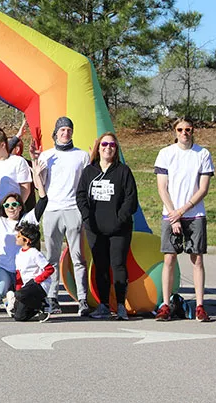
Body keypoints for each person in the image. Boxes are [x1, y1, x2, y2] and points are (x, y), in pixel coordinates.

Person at [155, 118, 215, 322]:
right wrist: (174, 215)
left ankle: (200, 306)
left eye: (188, 129)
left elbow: (203, 188)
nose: (184, 133)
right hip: (171, 215)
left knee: (197, 258)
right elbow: (162, 188)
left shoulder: (202, 154)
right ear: (175, 131)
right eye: (180, 129)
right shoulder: (166, 154)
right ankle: (165, 304)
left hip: (194, 214)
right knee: (169, 258)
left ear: (193, 131)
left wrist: (183, 210)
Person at [76, 133, 137, 320]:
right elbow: (80, 196)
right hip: (95, 228)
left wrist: (119, 219)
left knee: (118, 265)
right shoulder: (89, 171)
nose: (108, 147)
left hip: (119, 229)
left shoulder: (123, 171)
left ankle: (120, 305)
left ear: (116, 148)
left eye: (112, 144)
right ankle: (103, 304)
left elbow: (131, 200)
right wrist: (88, 218)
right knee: (100, 266)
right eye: (104, 144)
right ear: (99, 147)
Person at [33, 116, 90, 316]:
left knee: (78, 257)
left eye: (68, 130)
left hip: (73, 209)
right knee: (52, 257)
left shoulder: (82, 156)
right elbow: (39, 185)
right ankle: (52, 297)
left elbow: (85, 185)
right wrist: (35, 164)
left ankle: (82, 298)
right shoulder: (46, 155)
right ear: (56, 133)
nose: (65, 133)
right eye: (62, 130)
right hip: (52, 210)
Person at [0, 128, 32, 307]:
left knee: (15, 257)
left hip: (12, 217)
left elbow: (25, 188)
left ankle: (16, 294)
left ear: (3, 144)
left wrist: (16, 209)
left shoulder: (17, 162)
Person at [0, 193, 37, 319]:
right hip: (4, 267)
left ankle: (10, 301)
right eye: (7, 205)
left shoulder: (26, 220)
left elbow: (42, 205)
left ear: (20, 207)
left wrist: (39, 181)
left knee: (21, 307)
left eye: (14, 204)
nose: (10, 208)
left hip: (22, 270)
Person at [12, 221, 53, 322]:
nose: (16, 237)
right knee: (19, 317)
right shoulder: (19, 254)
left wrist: (37, 280)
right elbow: (19, 274)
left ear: (26, 240)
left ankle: (43, 306)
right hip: (27, 287)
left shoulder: (34, 253)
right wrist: (18, 290)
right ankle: (35, 307)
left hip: (39, 285)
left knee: (20, 295)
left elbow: (49, 269)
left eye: (18, 236)